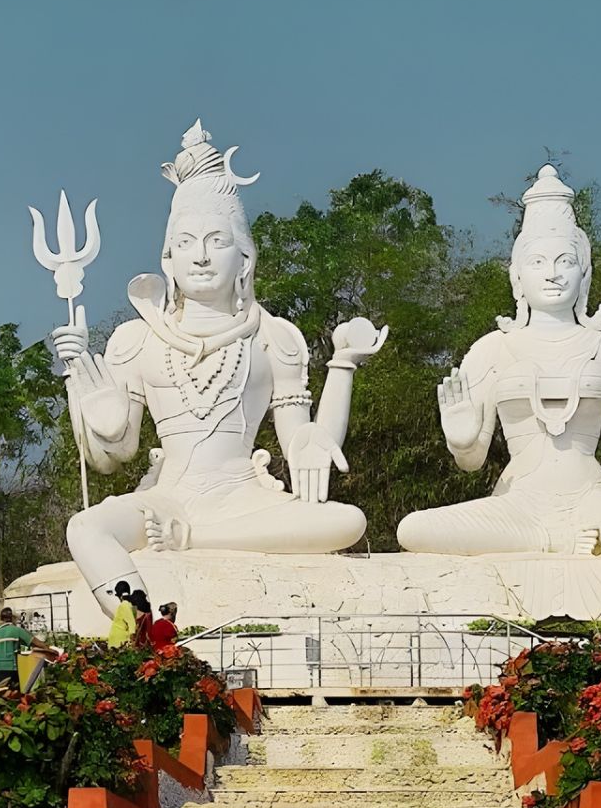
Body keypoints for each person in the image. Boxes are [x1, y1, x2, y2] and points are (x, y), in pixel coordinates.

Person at [50, 121, 388, 617]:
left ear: (244, 257)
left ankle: (194, 539)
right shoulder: (136, 339)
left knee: (345, 521)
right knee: (84, 527)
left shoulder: (274, 337)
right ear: (168, 259)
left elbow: (303, 448)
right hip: (165, 499)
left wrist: (343, 366)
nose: (202, 257)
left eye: (216, 241)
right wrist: (89, 404)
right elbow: (110, 458)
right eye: (186, 243)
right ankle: (139, 623)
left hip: (243, 500)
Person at [395, 164, 601, 621]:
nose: (553, 275)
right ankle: (552, 541)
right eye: (538, 263)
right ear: (516, 277)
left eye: (566, 263)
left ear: (585, 274)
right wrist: (461, 440)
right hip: (520, 505)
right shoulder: (491, 351)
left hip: (589, 498)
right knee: (413, 529)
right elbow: (472, 460)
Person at [0, 607, 55, 692]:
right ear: (12, 618)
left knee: (0, 697)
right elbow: (35, 642)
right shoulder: (17, 631)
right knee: (15, 696)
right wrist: (49, 650)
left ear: (1, 619)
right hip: (12, 671)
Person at [106, 580, 136, 648]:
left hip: (119, 642)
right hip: (120, 641)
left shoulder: (124, 605)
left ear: (120, 596)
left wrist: (133, 640)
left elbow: (132, 624)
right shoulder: (132, 605)